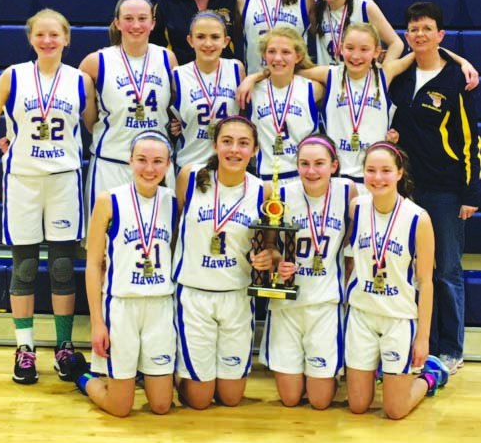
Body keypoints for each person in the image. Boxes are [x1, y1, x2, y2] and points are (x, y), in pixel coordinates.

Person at [0, 9, 97, 385]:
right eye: (40, 35)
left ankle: (63, 346)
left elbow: (95, 128)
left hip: (63, 179)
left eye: (54, 35)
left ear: (66, 39)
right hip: (23, 180)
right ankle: (24, 348)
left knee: (62, 267)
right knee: (25, 267)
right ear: (31, 39)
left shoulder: (80, 81)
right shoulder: (13, 76)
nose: (47, 41)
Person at [239, 22, 478, 195]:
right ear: (341, 49)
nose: (356, 55)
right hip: (335, 179)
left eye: (364, 50)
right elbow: (287, 67)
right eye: (350, 48)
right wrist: (256, 77)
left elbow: (422, 50)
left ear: (377, 52)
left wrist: (462, 61)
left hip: (374, 178)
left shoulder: (384, 74)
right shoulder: (330, 76)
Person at [389, 2, 481, 375]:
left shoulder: (457, 79)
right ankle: (413, 345)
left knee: (446, 271)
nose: (420, 35)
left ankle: (450, 349)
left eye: (427, 28)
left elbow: (471, 140)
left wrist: (470, 193)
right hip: (407, 190)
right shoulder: (400, 78)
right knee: (411, 271)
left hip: (446, 191)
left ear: (440, 36)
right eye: (413, 29)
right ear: (407, 35)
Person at [68, 131, 177, 416]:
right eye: (141, 160)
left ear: (168, 165)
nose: (149, 168)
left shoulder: (172, 202)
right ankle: (82, 376)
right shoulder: (108, 200)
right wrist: (96, 324)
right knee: (121, 408)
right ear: (130, 161)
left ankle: (129, 379)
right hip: (121, 305)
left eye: (157, 161)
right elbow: (93, 265)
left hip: (160, 305)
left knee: (162, 406)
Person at [173, 116, 273, 409]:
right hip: (194, 294)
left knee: (230, 399)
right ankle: (165, 375)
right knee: (200, 401)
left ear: (254, 150)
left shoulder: (262, 191)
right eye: (227, 141)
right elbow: (174, 227)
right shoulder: (190, 177)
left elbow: (268, 244)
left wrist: (267, 257)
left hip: (237, 296)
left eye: (243, 144)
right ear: (215, 145)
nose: (234, 150)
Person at [345, 141, 449, 420]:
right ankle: (385, 374)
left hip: (399, 317)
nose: (377, 178)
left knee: (395, 410)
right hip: (362, 314)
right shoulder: (356, 208)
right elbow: (350, 260)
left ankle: (430, 377)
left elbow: (426, 283)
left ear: (399, 173)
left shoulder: (419, 218)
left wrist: (423, 339)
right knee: (357, 405)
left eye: (386, 171)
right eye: (371, 170)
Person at [260, 134, 356, 409]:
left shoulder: (348, 192)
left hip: (325, 304)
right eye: (304, 163)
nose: (311, 171)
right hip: (286, 304)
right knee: (290, 400)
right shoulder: (280, 194)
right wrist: (278, 262)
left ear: (334, 166)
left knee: (320, 401)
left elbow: (351, 246)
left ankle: (327, 373)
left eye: (319, 163)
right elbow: (269, 245)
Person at [80, 0, 177, 218]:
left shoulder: (167, 59)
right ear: (117, 22)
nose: (136, 25)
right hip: (111, 164)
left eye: (143, 18)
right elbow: (89, 120)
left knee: (158, 242)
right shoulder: (95, 62)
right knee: (104, 244)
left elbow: (174, 108)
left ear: (153, 23)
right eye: (128, 18)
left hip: (157, 167)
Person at [245, 27, 323, 184]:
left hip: (305, 179)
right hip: (266, 179)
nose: (278, 58)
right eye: (272, 51)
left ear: (298, 56)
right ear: (264, 55)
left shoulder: (313, 89)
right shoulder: (252, 91)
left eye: (286, 52)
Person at [171, 11, 245, 170]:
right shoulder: (178, 75)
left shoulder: (236, 69)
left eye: (215, 37)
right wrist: (175, 124)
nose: (208, 43)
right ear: (190, 41)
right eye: (201, 37)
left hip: (229, 165)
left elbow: (245, 115)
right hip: (190, 165)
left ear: (226, 41)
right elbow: (169, 116)